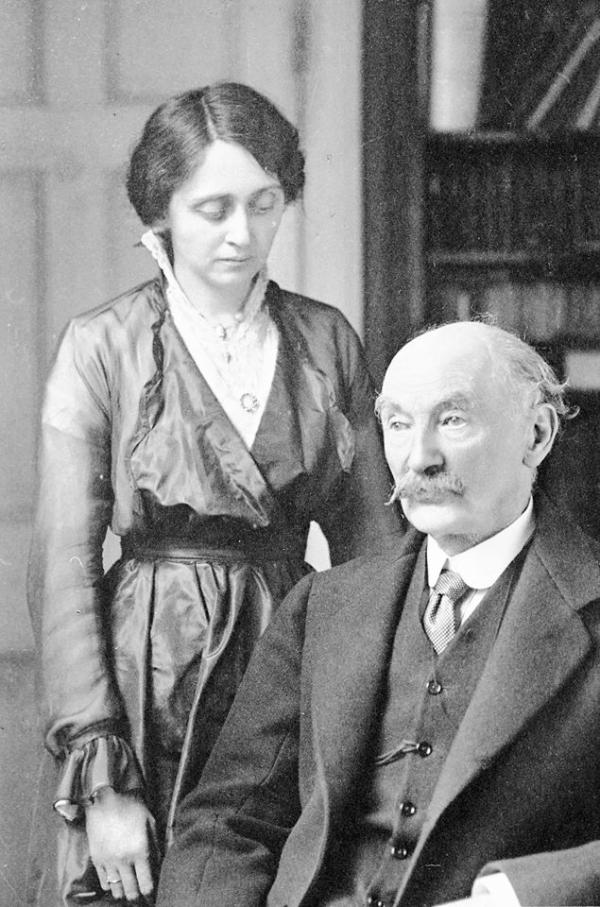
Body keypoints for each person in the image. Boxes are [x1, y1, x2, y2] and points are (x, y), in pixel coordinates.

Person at [26, 81, 402, 907]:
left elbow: (376, 557)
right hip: (145, 681)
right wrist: (102, 781)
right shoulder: (104, 346)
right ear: (161, 210)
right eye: (213, 208)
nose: (243, 233)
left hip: (290, 663)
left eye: (264, 203)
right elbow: (61, 566)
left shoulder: (325, 340)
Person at [156, 320, 600, 907]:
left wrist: (511, 899)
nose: (419, 458)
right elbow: (225, 822)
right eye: (398, 424)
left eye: (452, 420)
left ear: (537, 435)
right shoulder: (323, 604)